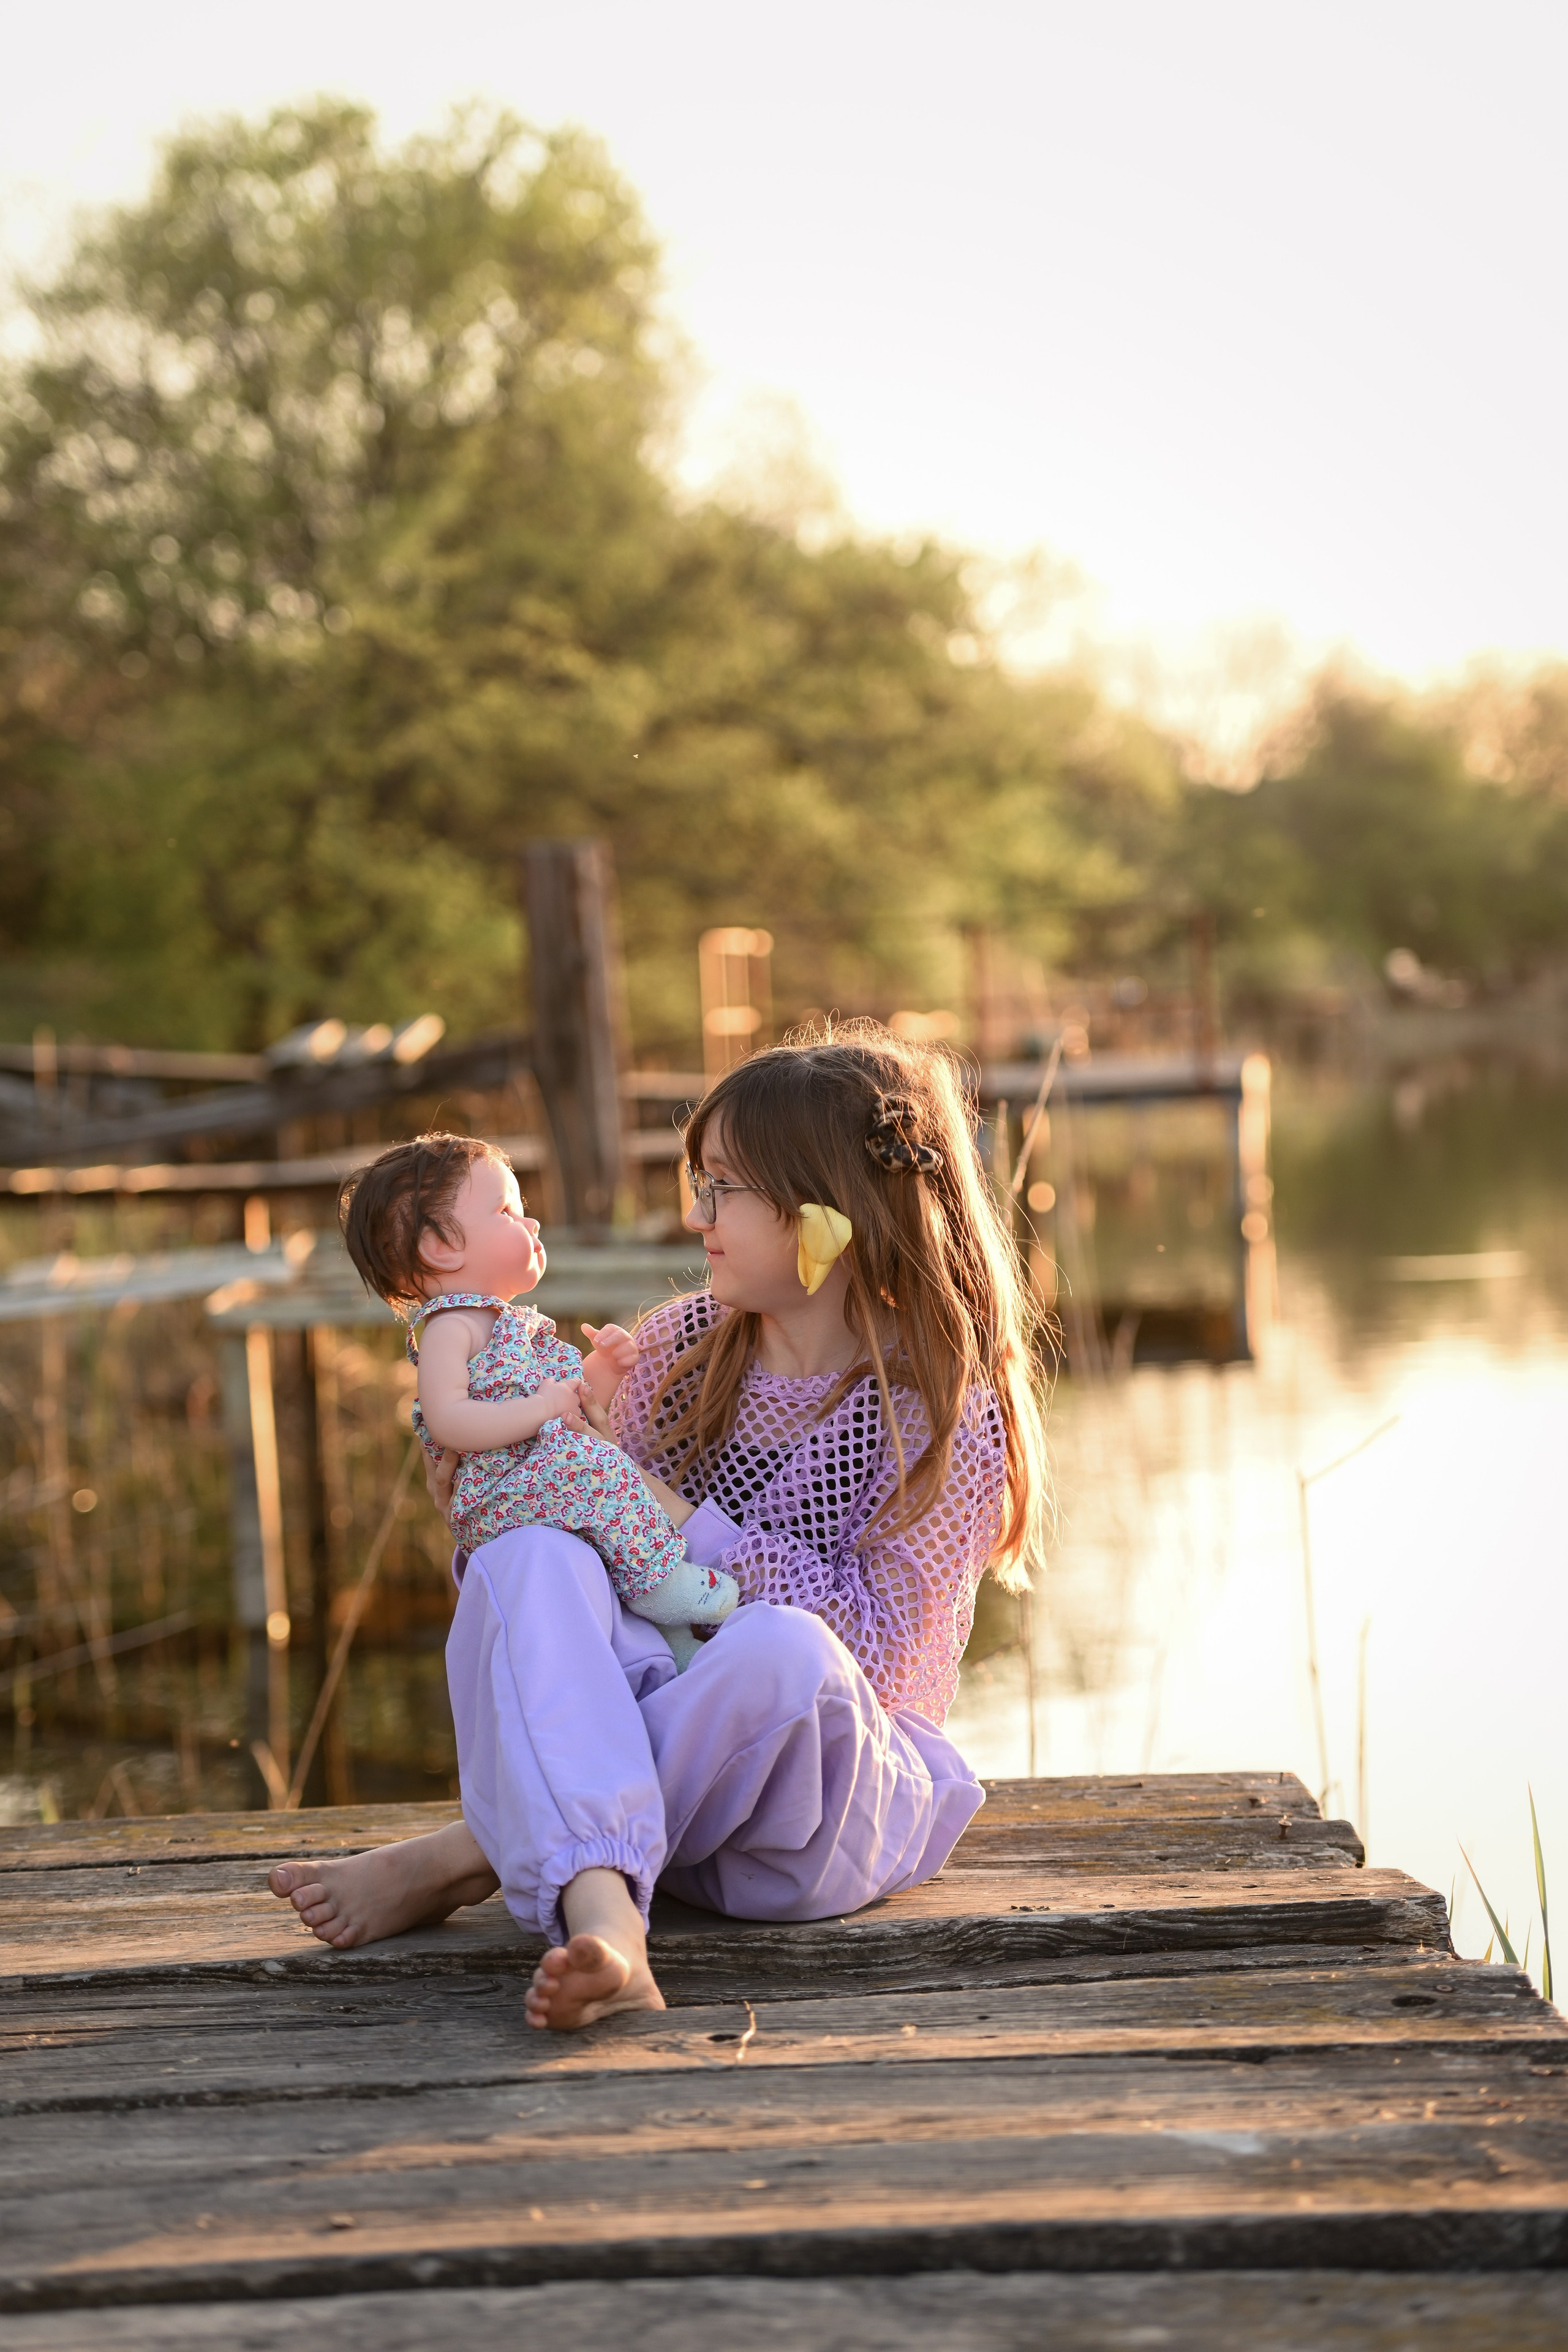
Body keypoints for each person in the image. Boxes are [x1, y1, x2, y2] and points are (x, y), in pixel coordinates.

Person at [270, 1026, 1050, 2032]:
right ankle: (609, 1923)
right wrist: (493, 1501)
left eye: (724, 1189)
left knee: (783, 1648)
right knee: (533, 1552)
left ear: (827, 1213)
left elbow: (884, 1664)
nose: (696, 1215)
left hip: (807, 1814)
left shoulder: (944, 1411)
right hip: (666, 1820)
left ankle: (475, 1853)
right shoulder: (680, 1346)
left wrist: (685, 1522)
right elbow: (564, 1613)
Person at [337, 1134, 739, 1664]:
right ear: (441, 1246)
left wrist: (604, 1369)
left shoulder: (512, 1326)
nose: (533, 1224)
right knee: (596, 1468)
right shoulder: (449, 1327)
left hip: (537, 1478)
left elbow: (576, 1402)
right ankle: (661, 1586)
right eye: (508, 1211)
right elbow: (449, 1420)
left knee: (600, 1482)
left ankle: (677, 1646)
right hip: (501, 1489)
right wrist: (545, 1407)